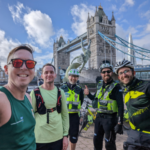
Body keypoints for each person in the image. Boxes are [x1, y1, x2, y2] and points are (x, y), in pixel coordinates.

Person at [0, 45, 36, 150]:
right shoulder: (2, 99)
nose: (24, 67)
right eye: (17, 62)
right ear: (6, 69)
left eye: (30, 63)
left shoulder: (28, 97)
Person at [84, 63, 124, 150]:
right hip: (98, 118)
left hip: (110, 120)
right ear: (101, 73)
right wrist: (88, 94)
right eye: (104, 72)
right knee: (96, 142)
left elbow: (121, 106)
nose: (106, 73)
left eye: (108, 71)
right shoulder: (99, 85)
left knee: (109, 144)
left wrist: (120, 123)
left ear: (112, 72)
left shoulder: (116, 87)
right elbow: (95, 99)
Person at [30, 63, 69, 150]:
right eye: (46, 72)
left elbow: (65, 115)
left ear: (55, 75)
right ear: (42, 75)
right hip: (39, 138)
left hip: (57, 137)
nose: (49, 75)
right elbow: (29, 116)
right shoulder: (35, 93)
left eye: (51, 72)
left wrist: (65, 136)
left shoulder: (60, 92)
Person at [114, 59, 150, 150]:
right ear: (119, 77)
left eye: (126, 71)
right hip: (133, 136)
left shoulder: (147, 86)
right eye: (121, 73)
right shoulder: (126, 90)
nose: (124, 74)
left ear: (133, 72)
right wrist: (119, 122)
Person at [61, 69, 84, 150]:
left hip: (74, 117)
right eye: (72, 76)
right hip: (63, 117)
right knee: (63, 137)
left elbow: (81, 102)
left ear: (77, 78)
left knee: (73, 139)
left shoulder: (80, 90)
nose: (73, 78)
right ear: (68, 76)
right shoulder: (62, 88)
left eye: (75, 76)